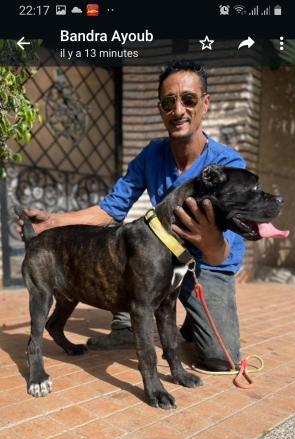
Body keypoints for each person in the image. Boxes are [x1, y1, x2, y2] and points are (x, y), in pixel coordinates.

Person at [17, 58, 247, 372]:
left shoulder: (227, 165)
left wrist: (208, 241)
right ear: (160, 108)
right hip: (160, 261)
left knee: (222, 359)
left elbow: (223, 254)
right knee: (123, 251)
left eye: (188, 100)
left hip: (205, 265)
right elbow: (110, 211)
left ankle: (195, 321)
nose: (178, 110)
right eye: (169, 102)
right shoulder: (151, 154)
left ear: (205, 104)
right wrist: (54, 221)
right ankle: (126, 327)